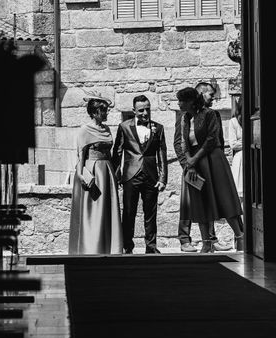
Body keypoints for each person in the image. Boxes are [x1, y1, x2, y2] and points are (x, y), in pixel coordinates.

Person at [176, 87, 244, 252]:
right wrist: (189, 164)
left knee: (224, 198)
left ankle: (241, 238)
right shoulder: (184, 118)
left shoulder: (209, 114)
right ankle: (207, 243)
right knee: (200, 202)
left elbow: (212, 139)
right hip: (195, 164)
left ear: (191, 101)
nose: (179, 104)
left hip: (213, 160)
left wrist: (194, 159)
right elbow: (183, 142)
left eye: (181, 101)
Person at [111, 95, 168, 254]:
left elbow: (162, 154)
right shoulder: (124, 126)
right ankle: (127, 246)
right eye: (141, 110)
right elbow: (118, 152)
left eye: (147, 109)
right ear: (134, 110)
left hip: (151, 176)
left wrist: (163, 178)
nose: (145, 113)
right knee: (129, 212)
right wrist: (116, 175)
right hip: (131, 175)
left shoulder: (159, 128)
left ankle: (151, 246)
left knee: (151, 213)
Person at [68, 93, 123, 254]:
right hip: (93, 172)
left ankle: (110, 246)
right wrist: (81, 175)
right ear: (93, 113)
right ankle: (91, 247)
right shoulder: (84, 130)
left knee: (108, 210)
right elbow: (79, 155)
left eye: (106, 110)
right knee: (93, 211)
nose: (106, 113)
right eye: (103, 111)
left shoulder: (107, 129)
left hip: (107, 172)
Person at [229, 97, 243, 199]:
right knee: (240, 194)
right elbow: (233, 144)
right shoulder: (233, 122)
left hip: (253, 156)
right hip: (240, 159)